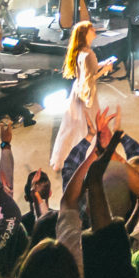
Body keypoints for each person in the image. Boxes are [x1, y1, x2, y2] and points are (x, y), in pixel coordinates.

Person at [47, 20, 117, 182]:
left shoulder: (81, 52)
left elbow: (88, 70)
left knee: (71, 126)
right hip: (87, 96)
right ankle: (90, 160)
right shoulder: (89, 53)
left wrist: (101, 64)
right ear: (85, 34)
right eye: (91, 29)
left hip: (76, 93)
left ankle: (64, 158)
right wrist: (105, 69)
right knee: (89, 126)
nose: (94, 31)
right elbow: (90, 78)